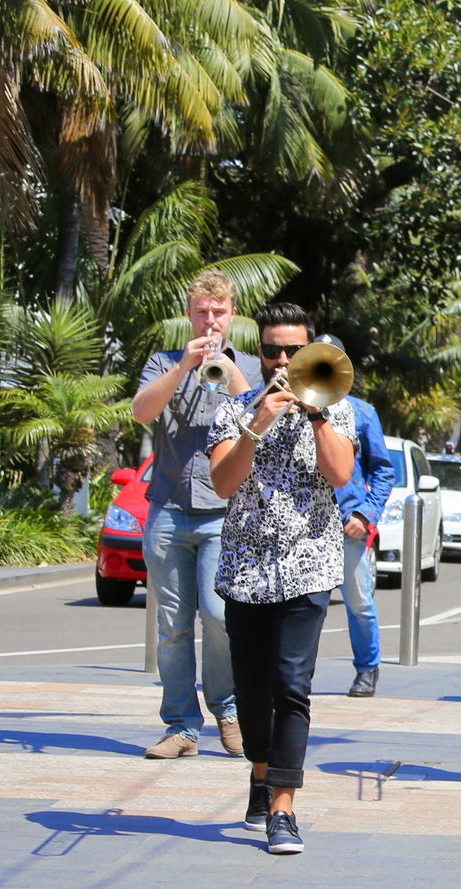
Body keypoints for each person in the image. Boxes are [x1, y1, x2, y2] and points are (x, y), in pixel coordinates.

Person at [207, 302, 355, 854]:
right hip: (246, 568)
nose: (284, 360)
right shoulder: (234, 411)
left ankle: (283, 808)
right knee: (251, 693)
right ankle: (260, 770)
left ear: (310, 351)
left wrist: (315, 412)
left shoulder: (337, 410)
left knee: (293, 686)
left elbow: (340, 474)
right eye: (274, 350)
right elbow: (223, 484)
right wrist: (258, 422)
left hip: (309, 564)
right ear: (260, 352)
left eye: (296, 351)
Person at [132, 269, 259, 759]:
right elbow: (143, 412)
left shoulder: (245, 362)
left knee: (220, 615)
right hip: (168, 508)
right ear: (189, 313)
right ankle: (182, 725)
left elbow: (257, 414)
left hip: (223, 513)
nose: (210, 320)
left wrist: (228, 369)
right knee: (172, 624)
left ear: (231, 316)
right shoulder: (164, 361)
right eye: (202, 311)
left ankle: (228, 712)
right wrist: (182, 367)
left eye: (218, 312)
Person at [313, 335, 395, 698]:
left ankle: (367, 669)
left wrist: (366, 513)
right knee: (301, 606)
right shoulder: (293, 405)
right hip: (305, 525)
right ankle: (293, 673)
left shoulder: (362, 412)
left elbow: (383, 471)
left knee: (359, 601)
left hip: (349, 525)